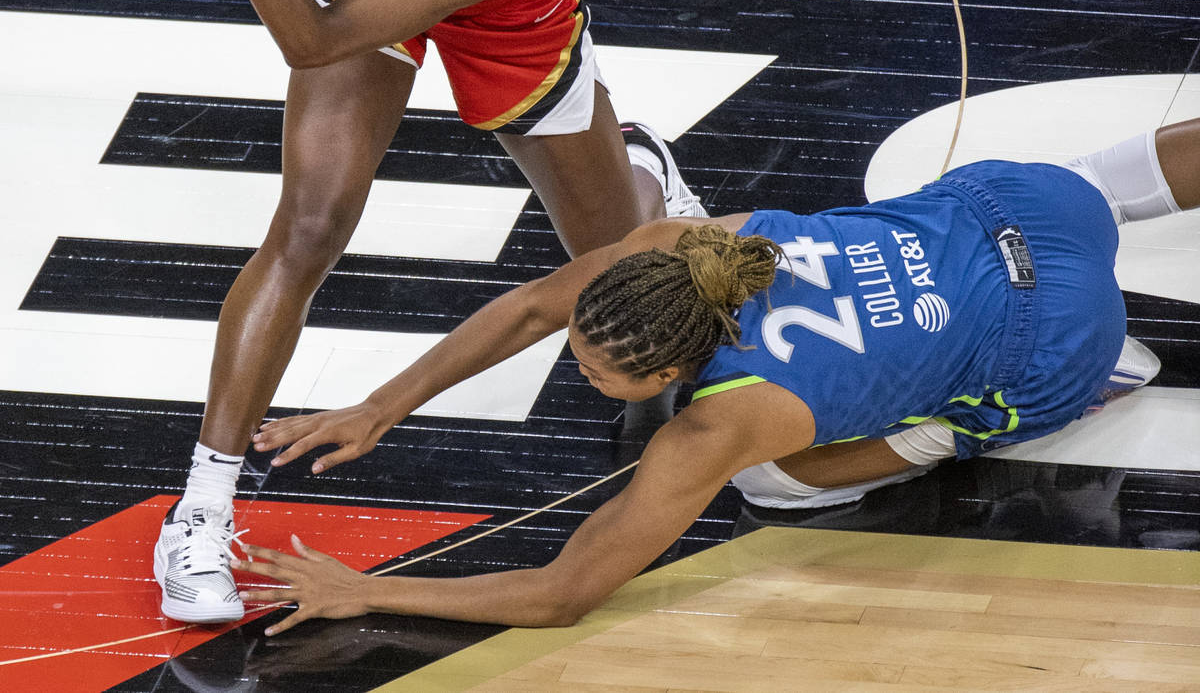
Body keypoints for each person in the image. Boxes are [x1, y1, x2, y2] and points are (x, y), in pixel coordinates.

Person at [89, 0, 705, 624]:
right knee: (308, 228)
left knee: (614, 266)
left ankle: (642, 167)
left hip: (512, 23)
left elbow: (305, 42)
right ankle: (200, 508)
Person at [235, 119, 1198, 632]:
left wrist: (368, 592)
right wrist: (380, 404)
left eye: (603, 373)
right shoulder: (682, 246)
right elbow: (535, 304)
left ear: (669, 369)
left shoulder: (719, 427)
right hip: (1018, 207)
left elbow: (564, 592)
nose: (581, 373)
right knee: (1096, 179)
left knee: (780, 484)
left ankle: (1059, 393)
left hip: (1060, 343)